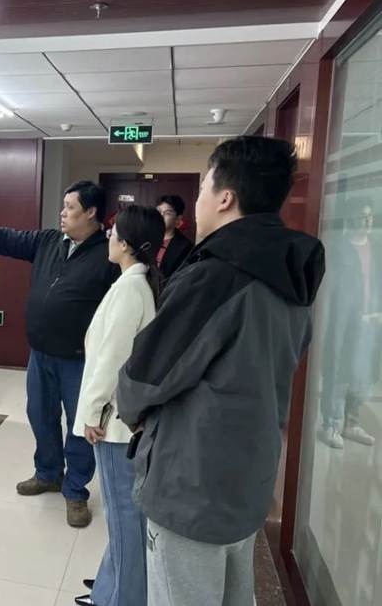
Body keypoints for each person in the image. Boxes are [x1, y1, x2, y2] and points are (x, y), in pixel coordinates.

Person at [116, 136, 325, 606]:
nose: (198, 201)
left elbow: (147, 376)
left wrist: (130, 412)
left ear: (226, 197)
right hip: (247, 474)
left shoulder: (217, 275)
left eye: (203, 188)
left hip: (192, 482)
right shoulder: (291, 273)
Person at [0, 180, 119, 528]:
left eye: (70, 207)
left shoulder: (108, 255)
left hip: (79, 359)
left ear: (91, 212)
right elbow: (5, 239)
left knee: (79, 425)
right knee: (39, 415)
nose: (62, 213)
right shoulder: (49, 242)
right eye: (63, 206)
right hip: (41, 353)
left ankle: (76, 490)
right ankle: (48, 473)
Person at [73, 206, 165, 606]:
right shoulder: (137, 282)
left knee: (124, 519)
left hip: (114, 424)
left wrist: (92, 413)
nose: (108, 237)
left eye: (112, 232)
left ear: (125, 243)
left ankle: (124, 597)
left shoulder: (131, 289)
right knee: (124, 517)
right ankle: (108, 590)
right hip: (124, 419)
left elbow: (111, 359)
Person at [319, 195, 380, 448]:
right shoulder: (337, 248)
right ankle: (331, 424)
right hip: (342, 322)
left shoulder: (376, 247)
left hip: (369, 321)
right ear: (350, 218)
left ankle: (351, 423)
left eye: (369, 216)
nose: (366, 221)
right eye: (361, 216)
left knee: (362, 373)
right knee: (338, 370)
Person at [155, 195, 193, 281]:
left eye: (167, 213)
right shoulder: (146, 237)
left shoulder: (185, 247)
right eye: (158, 211)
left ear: (178, 219)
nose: (161, 216)